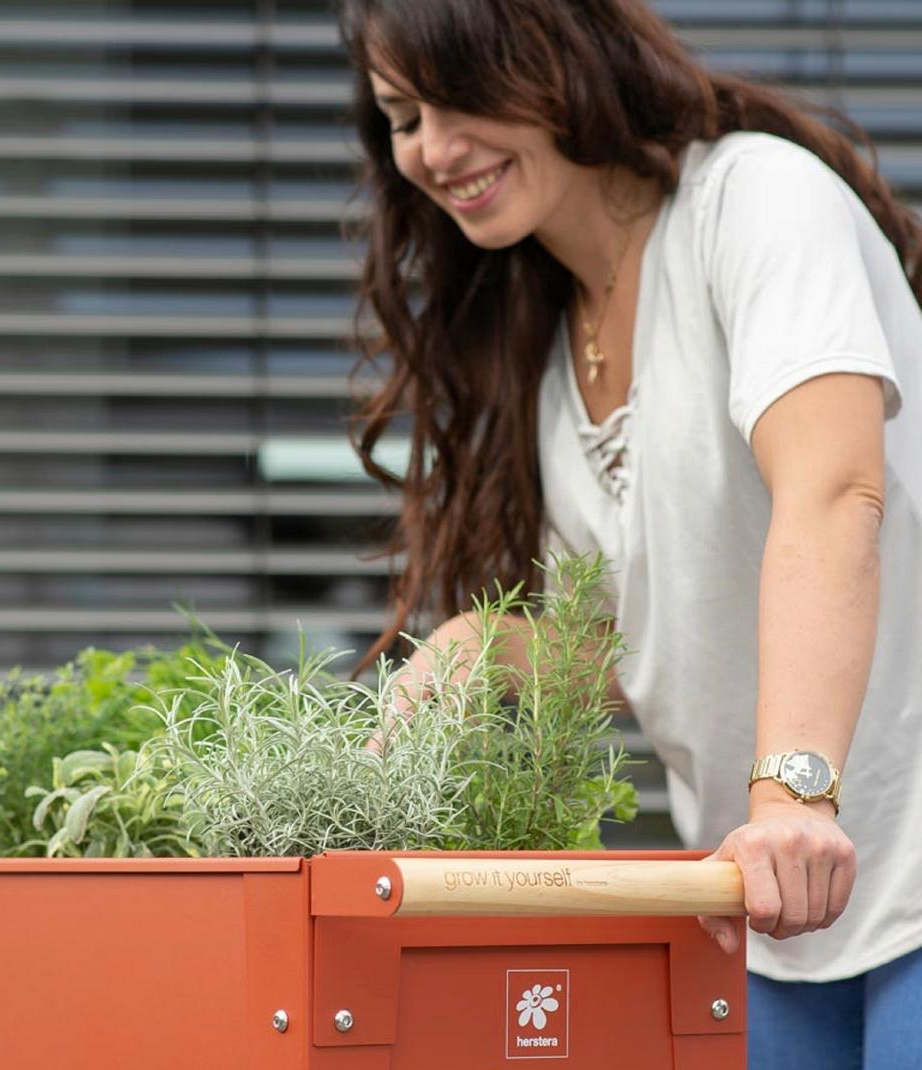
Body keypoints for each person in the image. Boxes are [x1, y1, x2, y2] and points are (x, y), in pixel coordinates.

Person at [336, 2, 922, 1066]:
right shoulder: (553, 353)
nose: (434, 148)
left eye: (460, 95)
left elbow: (835, 492)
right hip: (774, 910)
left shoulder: (756, 200)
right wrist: (478, 648)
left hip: (865, 858)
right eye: (404, 117)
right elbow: (647, 642)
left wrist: (789, 797)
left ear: (561, 56)